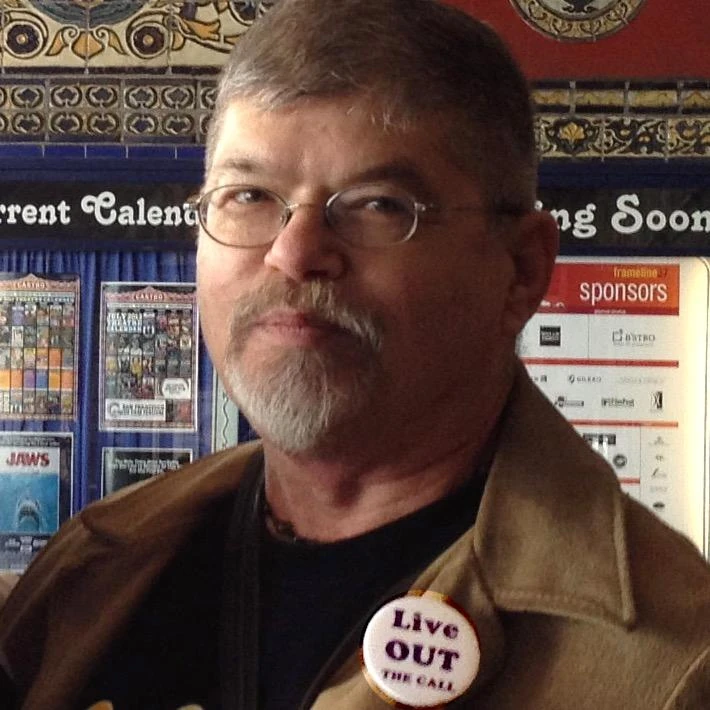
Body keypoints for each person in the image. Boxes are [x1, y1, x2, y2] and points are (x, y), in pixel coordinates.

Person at [2, 0, 710, 707]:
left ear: (521, 269)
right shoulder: (89, 570)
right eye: (248, 195)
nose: (294, 252)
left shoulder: (677, 665)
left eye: (379, 205)